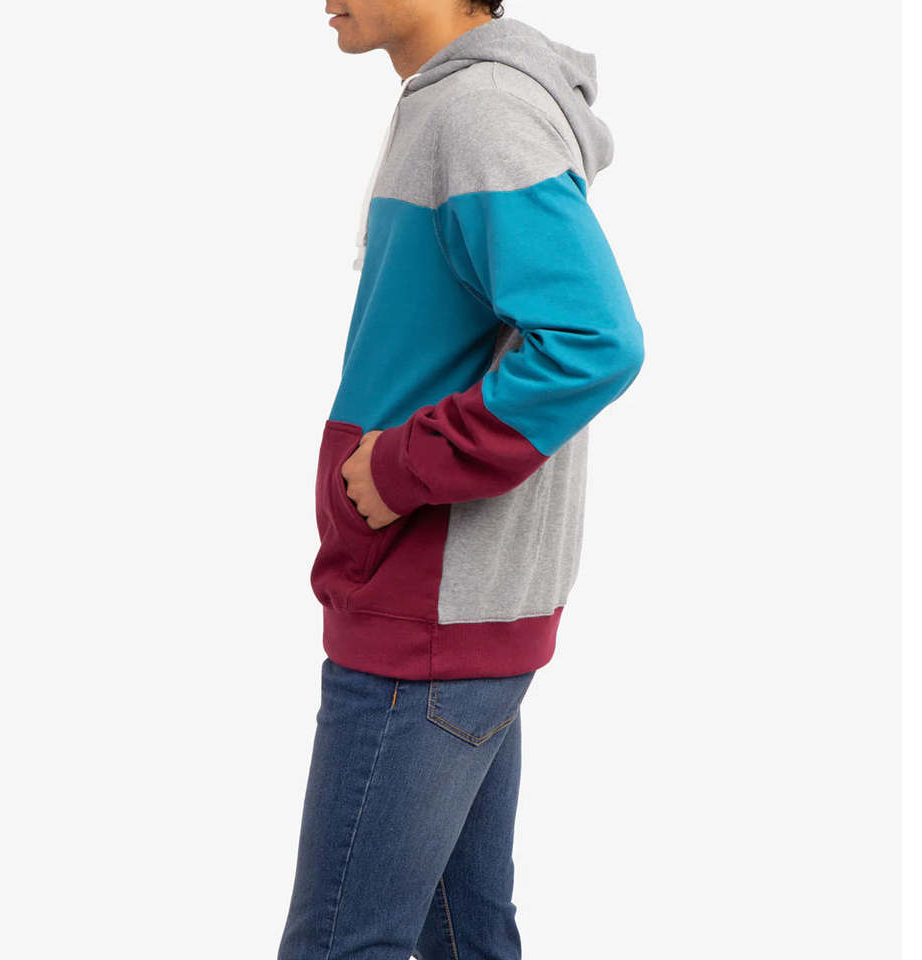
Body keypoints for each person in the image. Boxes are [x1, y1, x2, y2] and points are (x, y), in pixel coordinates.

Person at [278, 2, 644, 957]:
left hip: (426, 611)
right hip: (450, 605)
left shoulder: (479, 110)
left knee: (339, 943)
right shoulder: (455, 102)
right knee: (463, 936)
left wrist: (404, 467)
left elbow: (594, 341)